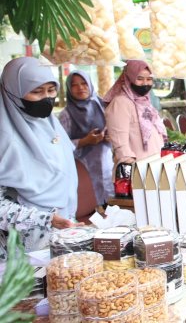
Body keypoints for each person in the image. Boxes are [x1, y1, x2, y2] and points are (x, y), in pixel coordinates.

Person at [0, 57, 81, 257]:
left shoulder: (51, 125)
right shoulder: (4, 138)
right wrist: (45, 219)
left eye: (51, 90)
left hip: (63, 235)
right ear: (12, 91)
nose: (46, 98)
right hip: (23, 250)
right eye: (36, 91)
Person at [59, 71, 114, 206]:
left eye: (84, 83)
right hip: (82, 168)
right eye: (74, 85)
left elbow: (116, 129)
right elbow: (60, 146)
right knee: (90, 204)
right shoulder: (65, 115)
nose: (80, 88)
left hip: (107, 163)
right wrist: (85, 141)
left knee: (111, 203)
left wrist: (110, 137)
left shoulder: (102, 105)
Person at [104, 60, 167, 164]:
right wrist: (132, 168)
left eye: (149, 79)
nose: (145, 83)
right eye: (140, 79)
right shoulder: (120, 103)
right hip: (137, 171)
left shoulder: (145, 102)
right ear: (129, 79)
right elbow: (120, 143)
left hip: (154, 168)